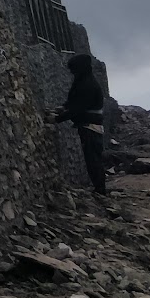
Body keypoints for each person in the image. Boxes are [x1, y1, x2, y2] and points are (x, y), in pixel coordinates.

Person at [52, 54, 108, 195]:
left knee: (93, 160)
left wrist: (57, 118)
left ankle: (100, 190)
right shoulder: (84, 81)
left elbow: (78, 108)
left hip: (91, 127)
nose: (72, 73)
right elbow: (74, 102)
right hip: (89, 126)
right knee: (92, 159)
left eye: (74, 70)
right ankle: (99, 189)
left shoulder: (87, 85)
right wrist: (64, 108)